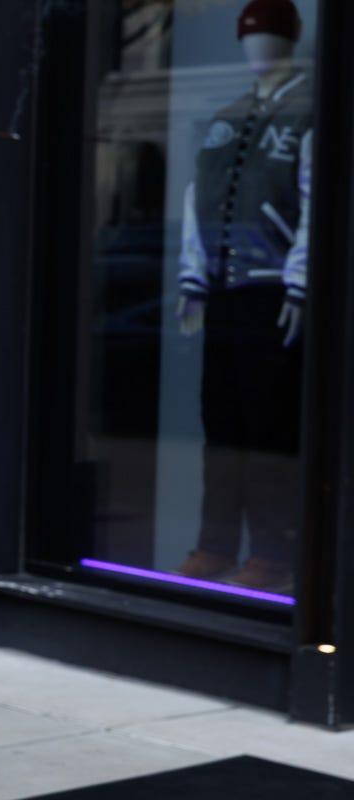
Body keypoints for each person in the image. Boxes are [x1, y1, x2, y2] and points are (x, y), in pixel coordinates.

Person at [173, 0, 310, 592]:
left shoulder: (308, 114)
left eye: (270, 36)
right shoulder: (226, 118)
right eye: (251, 37)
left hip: (272, 291)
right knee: (221, 425)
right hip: (224, 293)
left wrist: (301, 282)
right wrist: (193, 283)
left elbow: (316, 205)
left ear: (290, 41)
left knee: (268, 428)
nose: (259, 47)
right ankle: (215, 543)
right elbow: (194, 204)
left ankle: (273, 552)